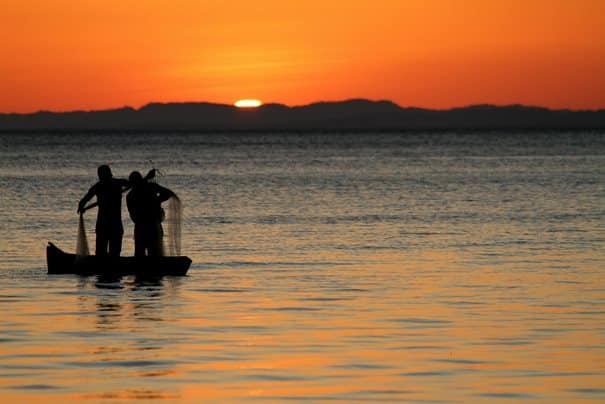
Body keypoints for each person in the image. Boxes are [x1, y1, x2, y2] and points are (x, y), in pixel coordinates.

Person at [78, 165, 130, 256]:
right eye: (100, 175)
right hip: (104, 224)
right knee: (101, 253)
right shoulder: (99, 186)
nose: (101, 177)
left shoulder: (117, 183)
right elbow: (85, 199)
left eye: (102, 175)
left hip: (114, 224)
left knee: (114, 253)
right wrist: (81, 207)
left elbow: (134, 184)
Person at [126, 171, 175, 257]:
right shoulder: (147, 189)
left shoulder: (133, 194)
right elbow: (168, 193)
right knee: (148, 254)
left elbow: (168, 193)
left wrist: (158, 200)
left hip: (145, 227)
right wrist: (157, 201)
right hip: (147, 227)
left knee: (146, 254)